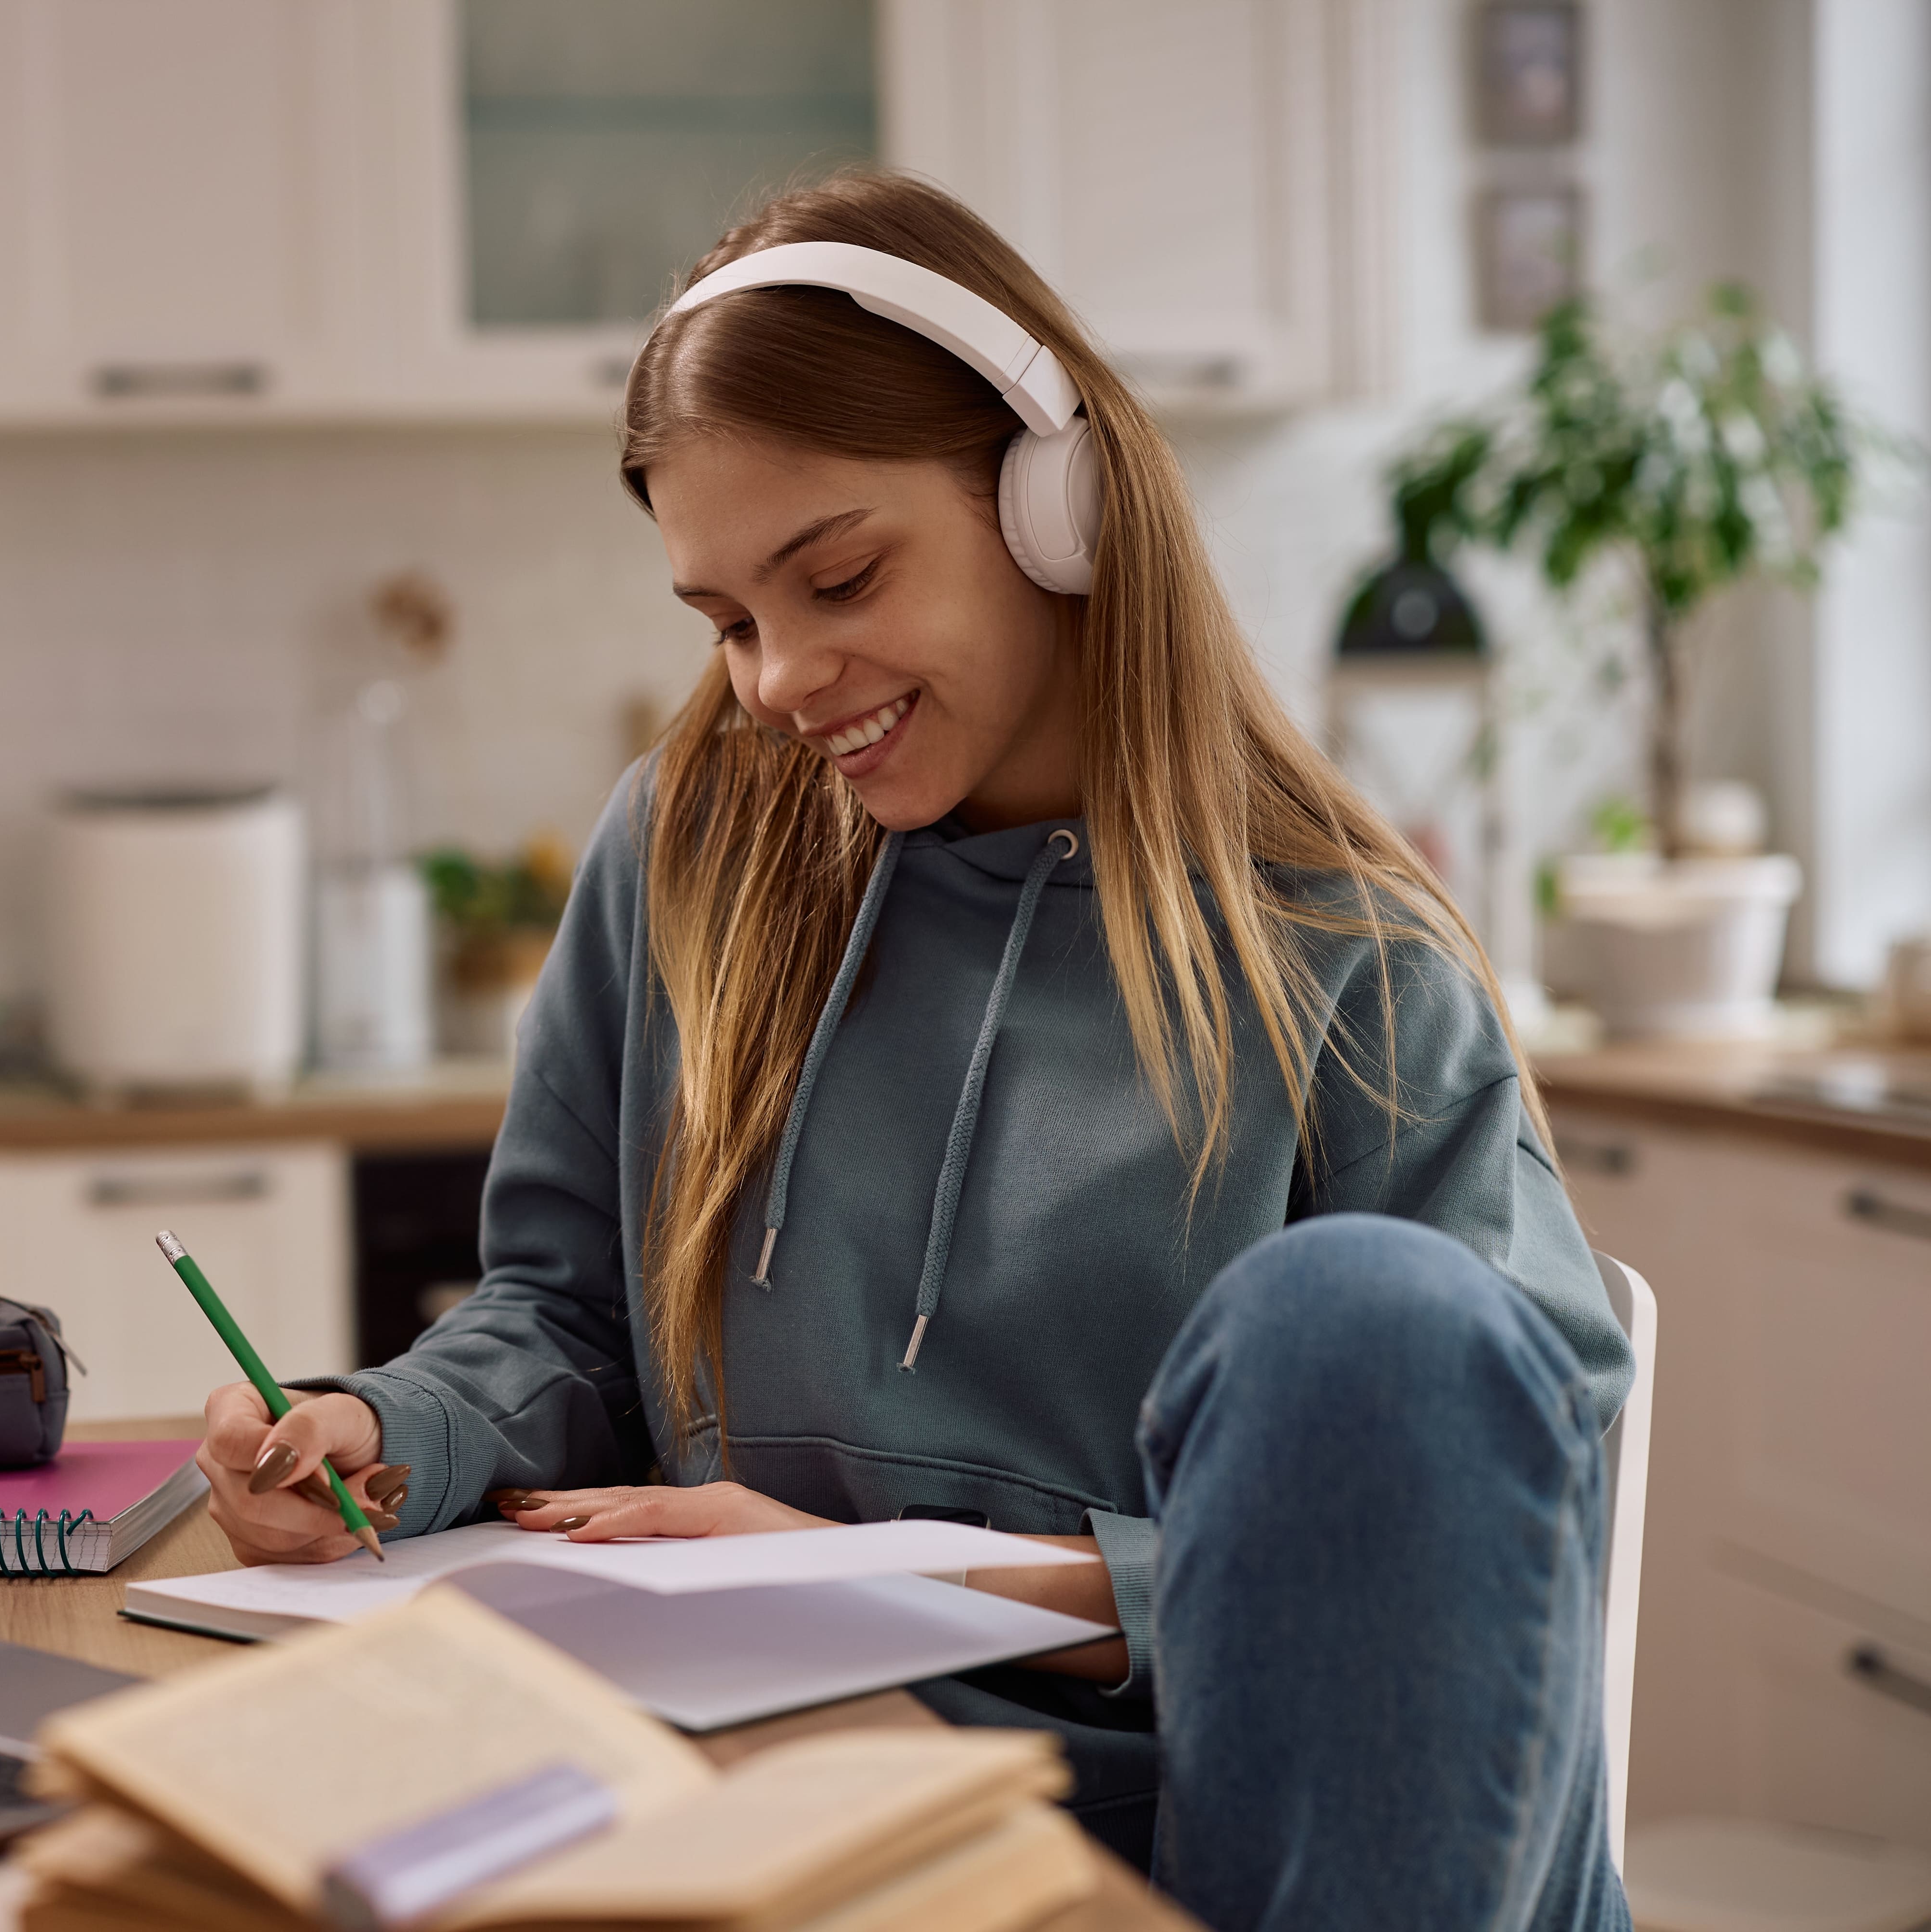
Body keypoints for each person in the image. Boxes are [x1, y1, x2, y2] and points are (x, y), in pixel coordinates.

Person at [197, 172, 1634, 1932]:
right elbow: (565, 1318)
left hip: (1231, 1848)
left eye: (839, 578)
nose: (778, 678)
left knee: (1373, 1319)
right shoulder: (691, 856)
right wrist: (384, 1428)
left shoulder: (1346, 956)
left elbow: (1467, 1546)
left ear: (1058, 502)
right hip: (794, 1812)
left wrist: (900, 1581)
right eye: (729, 621)